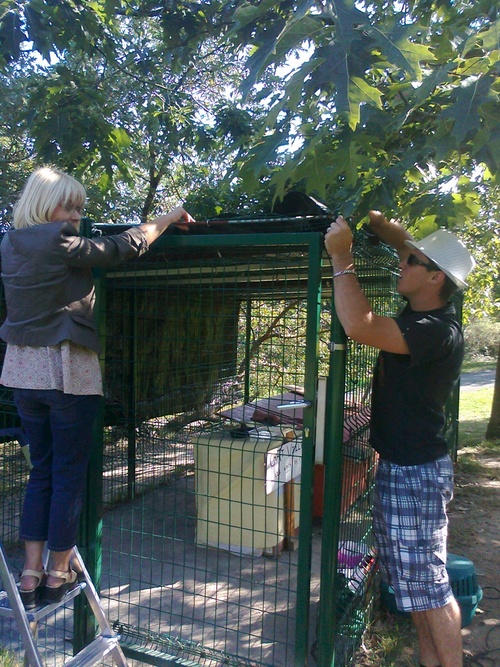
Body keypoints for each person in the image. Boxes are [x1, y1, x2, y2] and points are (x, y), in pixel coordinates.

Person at [0, 166, 194, 608]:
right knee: (69, 474)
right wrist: (165, 218)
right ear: (42, 203)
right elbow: (123, 246)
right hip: (66, 369)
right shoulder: (59, 240)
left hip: (21, 372)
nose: (73, 215)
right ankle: (57, 571)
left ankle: (28, 574)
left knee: (41, 472)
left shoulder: (8, 243)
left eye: (78, 208)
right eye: (67, 205)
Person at [324, 211, 475, 667]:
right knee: (414, 586)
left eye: (411, 262)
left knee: (429, 587)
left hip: (416, 473)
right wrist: (382, 226)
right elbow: (406, 245)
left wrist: (342, 258)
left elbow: (359, 324)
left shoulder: (436, 331)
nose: (400, 265)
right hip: (401, 467)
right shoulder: (425, 306)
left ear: (434, 278)